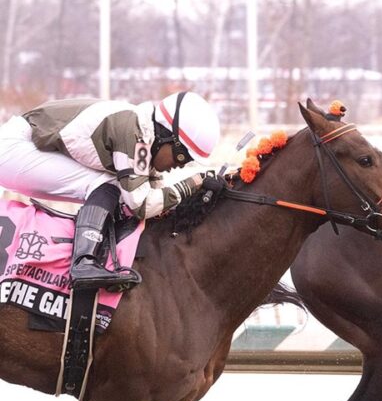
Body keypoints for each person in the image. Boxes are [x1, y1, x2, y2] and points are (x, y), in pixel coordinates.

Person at [0, 91, 222, 290]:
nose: (180, 165)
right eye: (182, 156)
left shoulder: (144, 132)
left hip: (24, 144)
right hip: (13, 149)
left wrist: (195, 192)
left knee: (116, 186)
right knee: (107, 184)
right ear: (167, 136)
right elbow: (142, 204)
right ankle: (83, 262)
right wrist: (192, 183)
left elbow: (156, 194)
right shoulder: (135, 133)